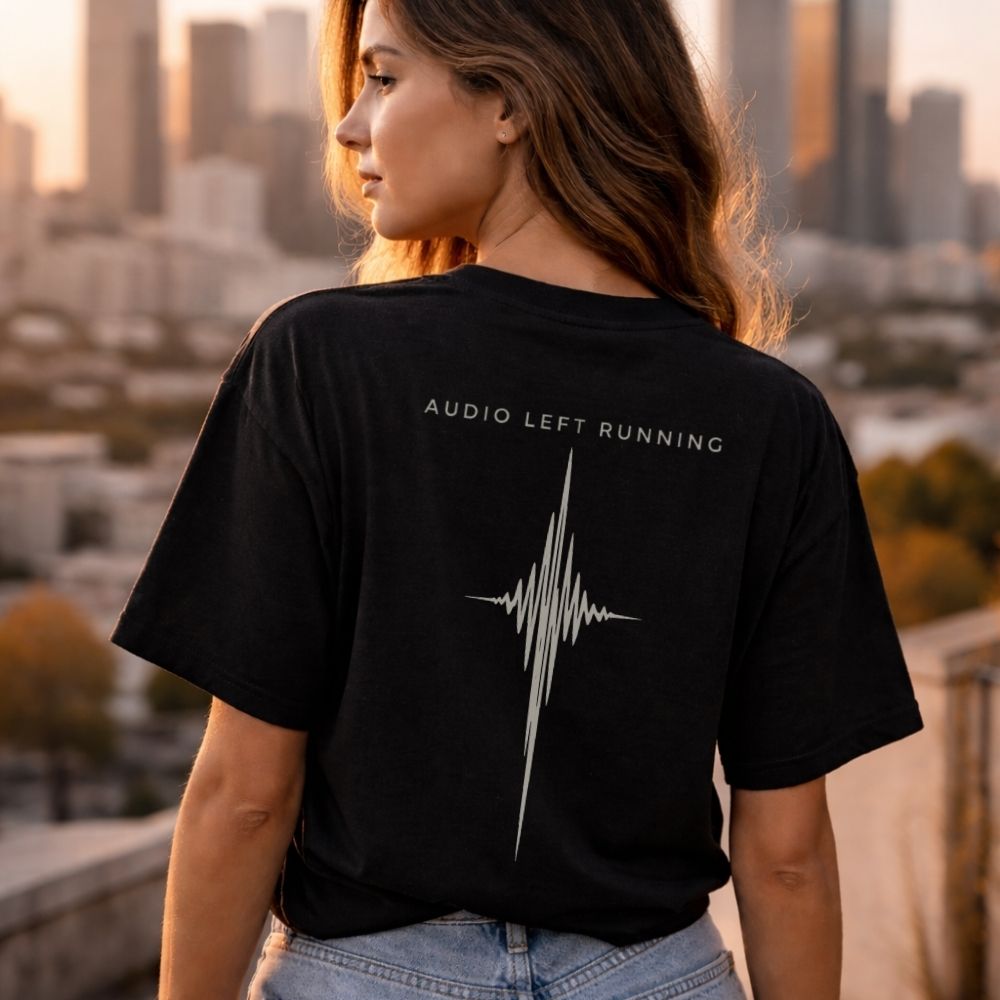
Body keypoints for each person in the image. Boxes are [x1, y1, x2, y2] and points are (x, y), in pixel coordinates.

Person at [108, 0, 925, 997]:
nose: (348, 124)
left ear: (508, 101)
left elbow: (244, 792)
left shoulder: (322, 360)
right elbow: (786, 848)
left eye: (385, 76)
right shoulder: (774, 419)